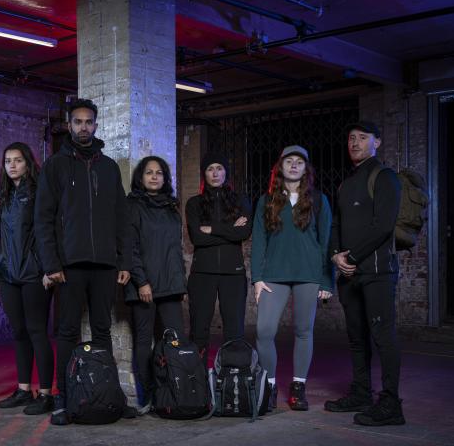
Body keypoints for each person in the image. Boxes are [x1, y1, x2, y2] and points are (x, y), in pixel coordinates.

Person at [34, 98, 132, 426]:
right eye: (77, 122)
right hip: (69, 265)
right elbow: (43, 218)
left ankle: (108, 396)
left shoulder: (109, 167)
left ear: (96, 125)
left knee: (102, 331)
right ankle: (63, 399)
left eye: (89, 122)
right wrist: (51, 264)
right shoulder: (55, 166)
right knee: (67, 332)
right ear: (69, 125)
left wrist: (124, 261)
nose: (83, 127)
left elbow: (121, 217)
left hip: (105, 264)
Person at [325, 121, 405, 426]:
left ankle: (391, 404)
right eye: (351, 138)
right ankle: (361, 393)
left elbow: (383, 226)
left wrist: (353, 257)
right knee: (357, 337)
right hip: (349, 275)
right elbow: (336, 223)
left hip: (377, 273)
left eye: (362, 137)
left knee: (383, 336)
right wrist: (336, 254)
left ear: (377, 142)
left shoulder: (384, 177)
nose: (355, 142)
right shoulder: (346, 184)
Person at [251, 145, 333, 411]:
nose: (294, 165)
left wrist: (327, 280)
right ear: (280, 167)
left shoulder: (318, 200)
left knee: (303, 331)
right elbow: (259, 241)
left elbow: (326, 242)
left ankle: (298, 387)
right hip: (273, 275)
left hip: (309, 274)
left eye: (299, 161)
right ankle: (270, 386)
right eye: (289, 161)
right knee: (264, 331)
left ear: (306, 168)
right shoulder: (266, 201)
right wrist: (257, 278)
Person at [0, 143, 55, 415]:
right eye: (8, 161)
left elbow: (49, 230)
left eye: (18, 160)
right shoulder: (4, 194)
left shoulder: (39, 192)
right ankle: (23, 390)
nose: (12, 165)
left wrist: (48, 268)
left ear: (28, 163)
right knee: (18, 332)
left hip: (34, 273)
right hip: (9, 273)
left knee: (36, 331)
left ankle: (45, 394)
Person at [125, 156, 187, 414]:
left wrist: (180, 283)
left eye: (159, 173)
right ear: (141, 177)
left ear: (165, 178)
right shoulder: (133, 205)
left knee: (176, 340)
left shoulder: (172, 207)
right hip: (145, 285)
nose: (154, 177)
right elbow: (130, 247)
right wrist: (141, 281)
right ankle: (148, 396)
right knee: (143, 342)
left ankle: (175, 392)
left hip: (170, 284)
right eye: (149, 172)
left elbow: (175, 249)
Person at [184, 151, 252, 365]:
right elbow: (197, 238)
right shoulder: (194, 204)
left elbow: (243, 233)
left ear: (226, 173)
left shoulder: (240, 201)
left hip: (233, 274)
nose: (215, 173)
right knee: (199, 330)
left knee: (234, 331)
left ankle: (231, 379)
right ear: (204, 174)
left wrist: (211, 229)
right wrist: (230, 229)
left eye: (219, 168)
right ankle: (199, 381)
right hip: (202, 273)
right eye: (210, 169)